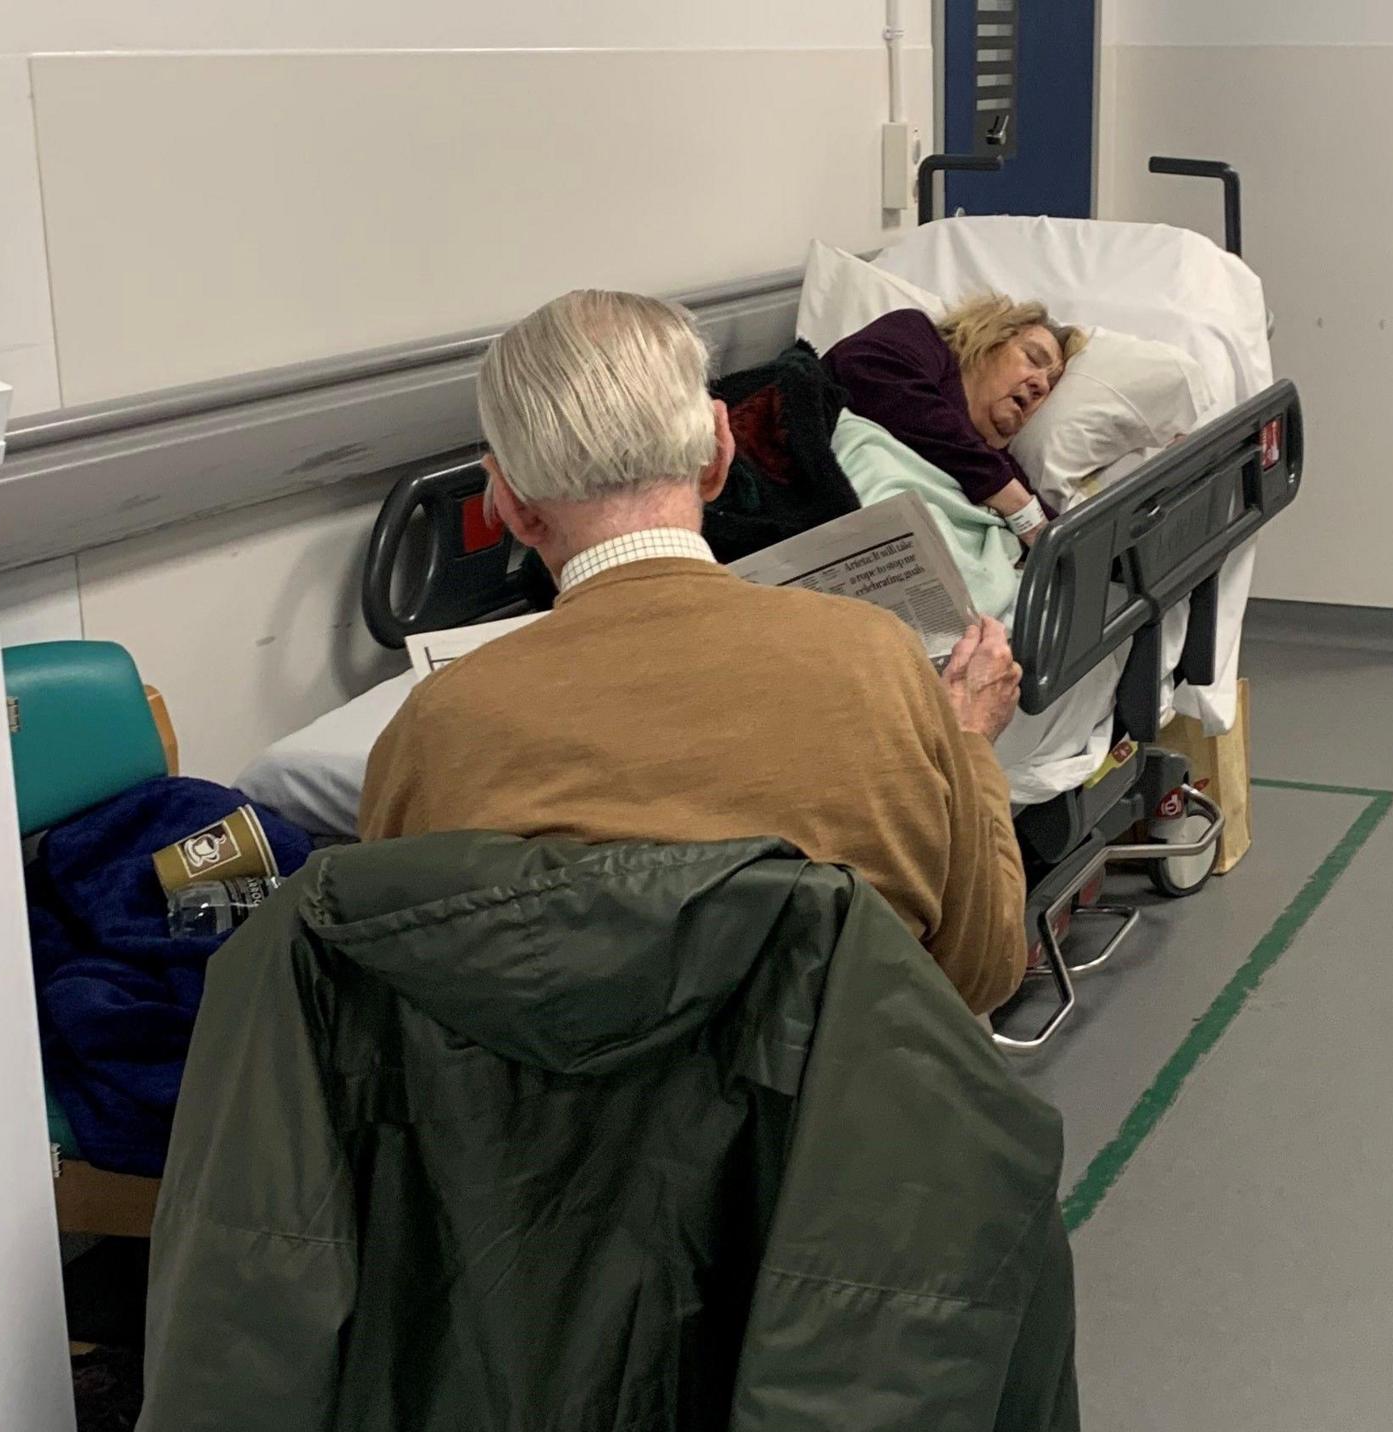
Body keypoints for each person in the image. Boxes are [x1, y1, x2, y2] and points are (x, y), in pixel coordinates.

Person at [358, 289, 1032, 1016]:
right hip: (826, 1113)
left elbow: (402, 994)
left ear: (513, 506)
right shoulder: (879, 658)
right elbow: (981, 972)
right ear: (719, 451)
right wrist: (967, 747)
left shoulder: (436, 728)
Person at [826, 295, 1083, 545]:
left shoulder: (1003, 468)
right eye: (1033, 358)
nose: (1041, 385)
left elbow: (1062, 541)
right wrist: (1006, 495)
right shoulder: (916, 335)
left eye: (1051, 384)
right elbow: (870, 374)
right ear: (989, 337)